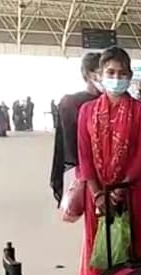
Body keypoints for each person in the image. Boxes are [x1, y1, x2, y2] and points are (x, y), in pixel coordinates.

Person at [77, 47, 141, 275]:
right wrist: (97, 194)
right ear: (99, 75)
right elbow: (84, 154)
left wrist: (120, 188)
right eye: (110, 72)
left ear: (130, 76)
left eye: (122, 73)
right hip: (97, 194)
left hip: (133, 191)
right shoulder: (87, 111)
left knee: (136, 245)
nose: (116, 78)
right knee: (101, 245)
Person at [50, 52, 102, 205]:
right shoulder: (71, 103)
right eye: (103, 72)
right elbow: (69, 145)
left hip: (112, 168)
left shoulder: (113, 101)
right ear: (89, 74)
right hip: (84, 168)